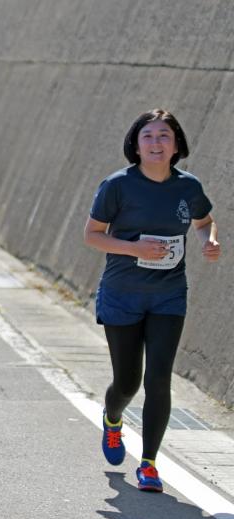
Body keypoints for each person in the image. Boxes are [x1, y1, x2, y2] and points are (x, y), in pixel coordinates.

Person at [84, 109, 220, 493]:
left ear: (176, 145)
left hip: (168, 296)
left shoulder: (187, 187)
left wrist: (208, 240)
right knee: (126, 383)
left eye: (164, 136)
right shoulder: (117, 186)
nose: (156, 143)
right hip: (123, 295)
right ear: (136, 144)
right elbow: (92, 235)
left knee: (159, 378)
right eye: (149, 136)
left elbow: (204, 220)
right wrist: (133, 247)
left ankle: (149, 464)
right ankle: (113, 419)